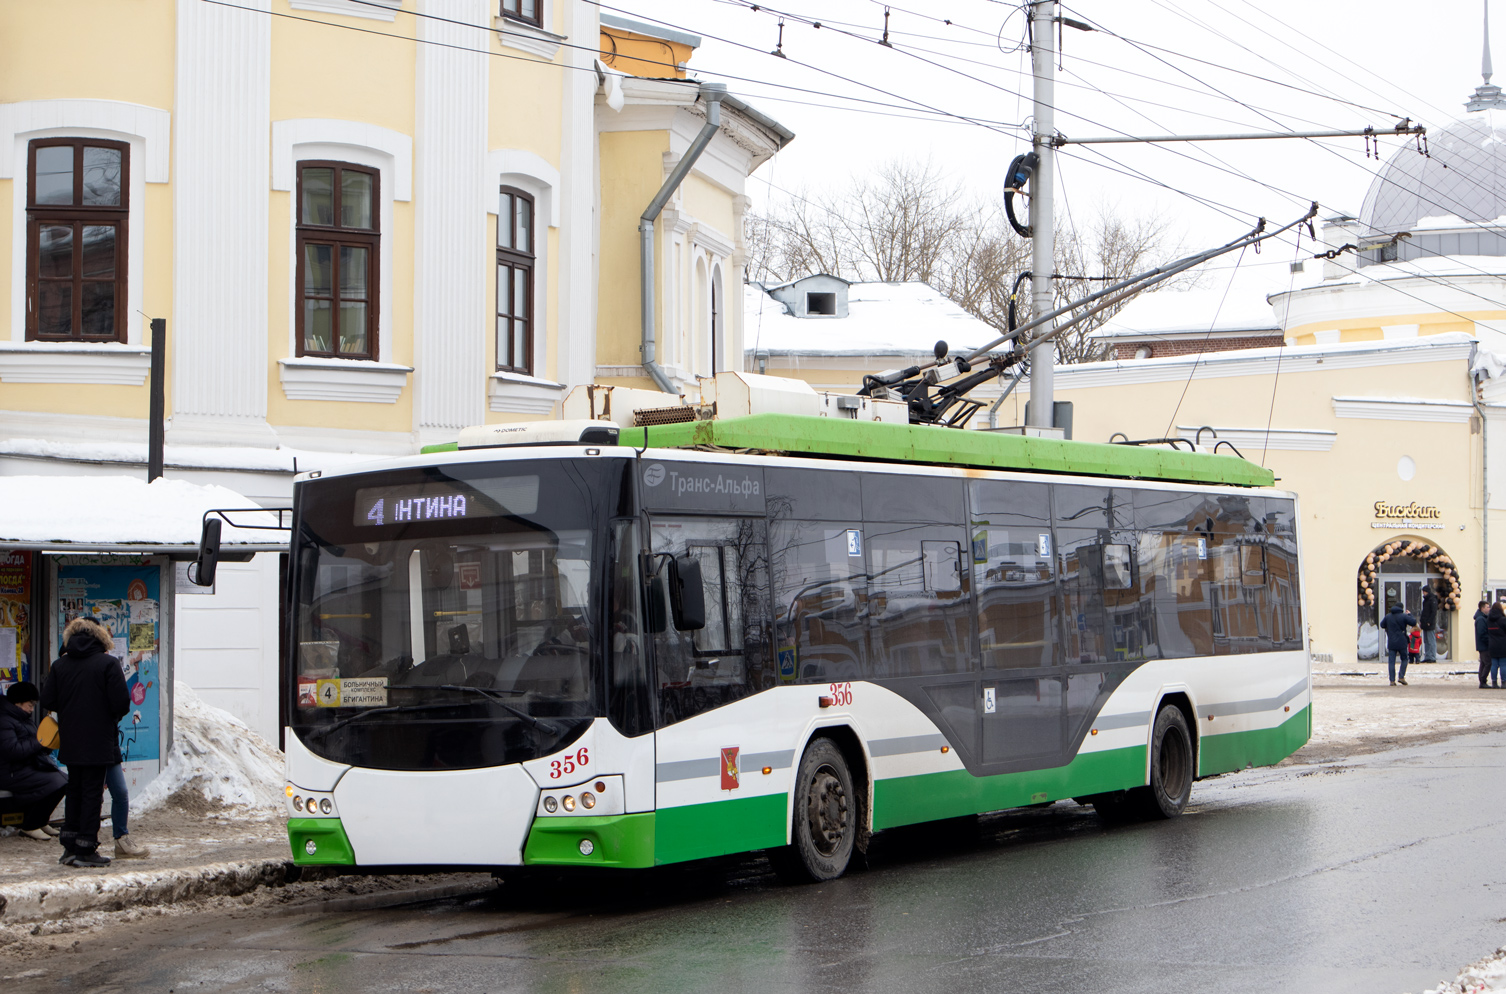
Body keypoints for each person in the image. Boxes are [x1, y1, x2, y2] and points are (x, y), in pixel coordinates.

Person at [40, 618, 128, 868]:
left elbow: (49, 699)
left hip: (71, 739)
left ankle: (69, 847)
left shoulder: (60, 665)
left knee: (74, 791)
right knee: (92, 794)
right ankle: (86, 848)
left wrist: (71, 710)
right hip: (99, 740)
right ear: (100, 638)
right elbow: (121, 703)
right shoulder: (108, 664)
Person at [0, 681, 67, 842]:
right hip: (10, 771)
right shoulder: (5, 720)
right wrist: (40, 742)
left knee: (64, 780)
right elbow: (12, 750)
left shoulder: (22, 717)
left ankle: (40, 821)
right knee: (56, 783)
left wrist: (47, 745)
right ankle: (30, 825)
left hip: (24, 767)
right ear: (18, 702)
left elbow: (34, 742)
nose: (32, 709)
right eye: (30, 705)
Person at [104, 764, 148, 858]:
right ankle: (85, 845)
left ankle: (121, 840)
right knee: (91, 797)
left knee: (121, 793)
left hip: (111, 754)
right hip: (90, 756)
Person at [1378, 602, 1417, 686]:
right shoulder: (1404, 616)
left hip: (1391, 641)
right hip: (1402, 641)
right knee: (1404, 659)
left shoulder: (1388, 616)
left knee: (1391, 661)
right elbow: (1413, 622)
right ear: (1401, 608)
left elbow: (1382, 625)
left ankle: (1392, 680)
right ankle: (1401, 677)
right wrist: (1409, 614)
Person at [1420, 587, 1440, 663]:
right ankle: (1427, 656)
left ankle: (1432, 657)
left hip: (1429, 624)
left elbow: (1433, 612)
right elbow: (1424, 612)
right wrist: (1422, 621)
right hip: (1425, 623)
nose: (1423, 593)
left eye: (1424, 592)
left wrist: (1429, 621)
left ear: (1427, 592)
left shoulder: (1432, 600)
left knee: (1431, 640)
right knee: (1426, 640)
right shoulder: (1425, 600)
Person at [1490, 603, 1506, 690]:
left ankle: (1494, 682)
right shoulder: (1503, 620)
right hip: (1503, 644)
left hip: (1492, 644)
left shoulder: (1489, 620)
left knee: (1494, 664)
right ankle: (1504, 682)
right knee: (1503, 664)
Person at [1476, 600, 1492, 689]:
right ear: (1482, 608)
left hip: (1482, 645)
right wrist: (1489, 641)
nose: (1489, 608)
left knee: (1483, 663)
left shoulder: (1482, 618)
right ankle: (1483, 680)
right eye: (1487, 607)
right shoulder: (1481, 619)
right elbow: (1482, 633)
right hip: (1484, 645)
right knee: (1487, 663)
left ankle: (1482, 680)